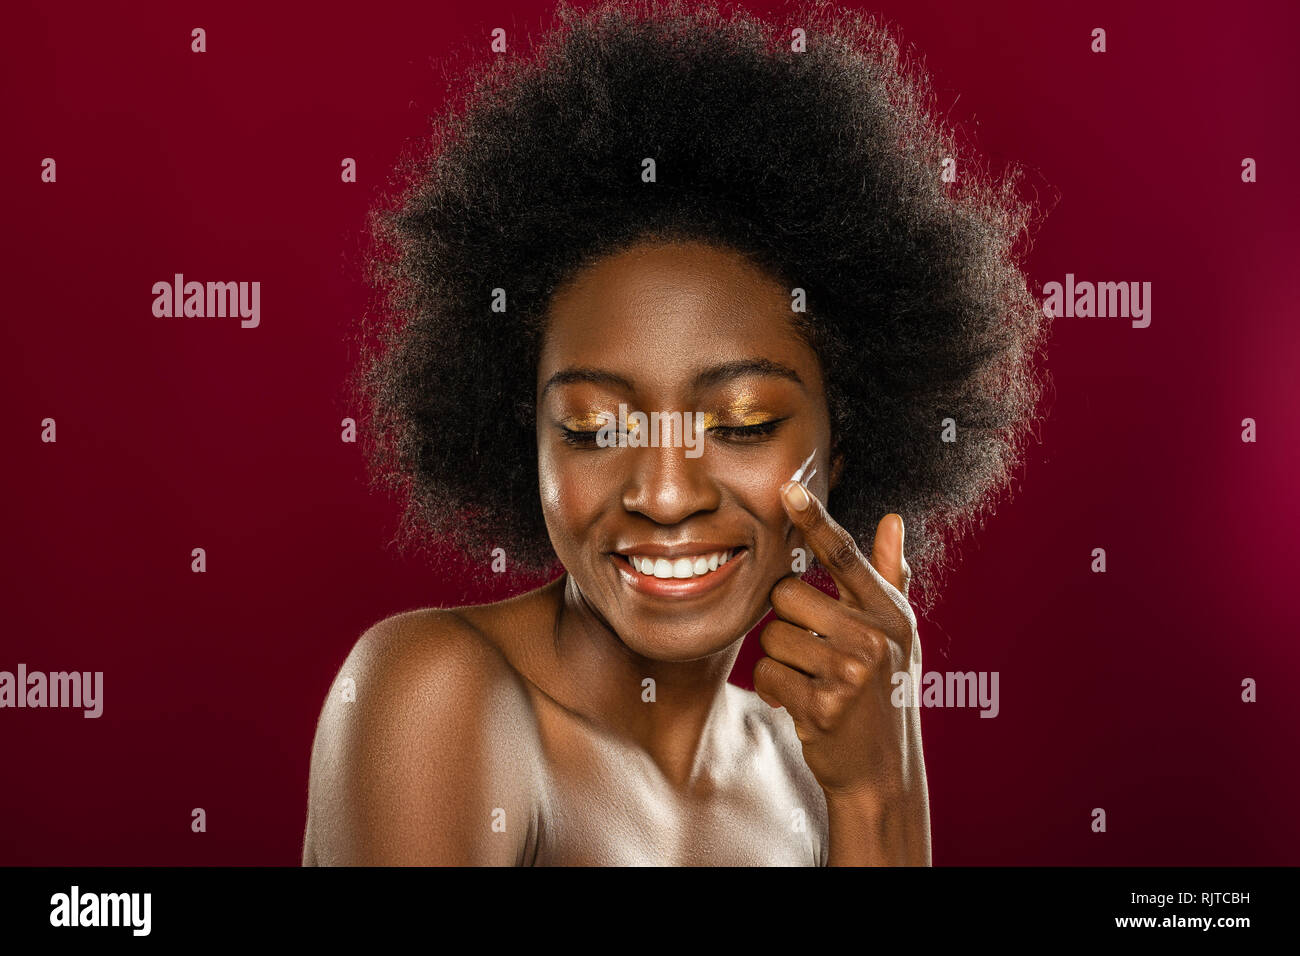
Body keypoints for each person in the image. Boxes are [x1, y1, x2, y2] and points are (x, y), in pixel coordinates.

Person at [302, 0, 1048, 865]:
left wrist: (881, 793)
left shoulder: (807, 776)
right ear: (528, 441)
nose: (663, 493)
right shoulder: (438, 691)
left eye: (743, 424)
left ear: (843, 444)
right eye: (592, 428)